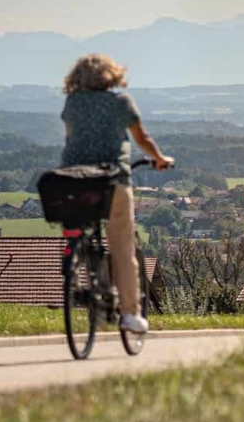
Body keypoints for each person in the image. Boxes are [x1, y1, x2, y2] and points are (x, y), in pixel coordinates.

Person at [60, 54, 172, 332]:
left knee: (83, 231)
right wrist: (159, 158)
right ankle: (131, 314)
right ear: (112, 75)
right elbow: (142, 138)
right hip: (112, 181)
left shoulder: (72, 103)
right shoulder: (120, 102)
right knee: (122, 245)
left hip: (75, 180)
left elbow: (69, 136)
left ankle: (84, 274)